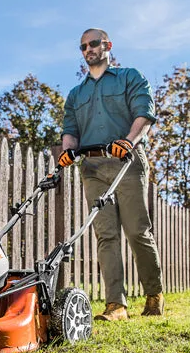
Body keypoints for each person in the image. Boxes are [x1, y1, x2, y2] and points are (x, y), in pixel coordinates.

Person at [58, 28, 164, 321]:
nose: (89, 49)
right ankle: (116, 305)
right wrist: (68, 151)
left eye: (94, 43)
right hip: (91, 169)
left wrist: (128, 141)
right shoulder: (76, 94)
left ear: (107, 45)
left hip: (125, 162)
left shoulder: (131, 77)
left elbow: (144, 116)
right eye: (83, 47)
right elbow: (71, 132)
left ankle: (154, 295)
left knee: (136, 231)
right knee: (105, 236)